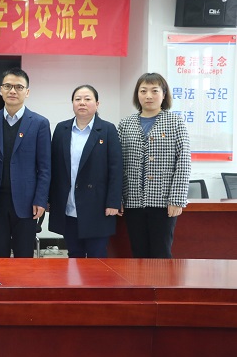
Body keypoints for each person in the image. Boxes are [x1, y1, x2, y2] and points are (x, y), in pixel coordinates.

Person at [117, 72, 190, 258]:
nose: (148, 95)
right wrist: (117, 197)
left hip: (163, 202)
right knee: (138, 252)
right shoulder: (125, 124)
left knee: (161, 253)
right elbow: (117, 164)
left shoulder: (175, 122)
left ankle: (162, 280)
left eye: (154, 91)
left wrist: (177, 199)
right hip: (132, 200)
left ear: (164, 94)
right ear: (137, 95)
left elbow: (183, 162)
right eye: (143, 91)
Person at [0, 67, 51, 258]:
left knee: (24, 256)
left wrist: (41, 200)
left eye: (19, 87)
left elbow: (45, 167)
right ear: (0, 90)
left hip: (27, 202)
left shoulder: (39, 123)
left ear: (27, 92)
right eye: (8, 86)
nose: (13, 91)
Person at [48, 85, 122, 258]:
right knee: (74, 254)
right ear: (72, 103)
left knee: (97, 256)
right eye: (78, 99)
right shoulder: (61, 129)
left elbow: (116, 168)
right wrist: (50, 199)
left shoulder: (108, 130)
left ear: (97, 104)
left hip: (98, 206)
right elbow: (53, 167)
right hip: (69, 205)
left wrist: (113, 202)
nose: (82, 103)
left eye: (87, 99)